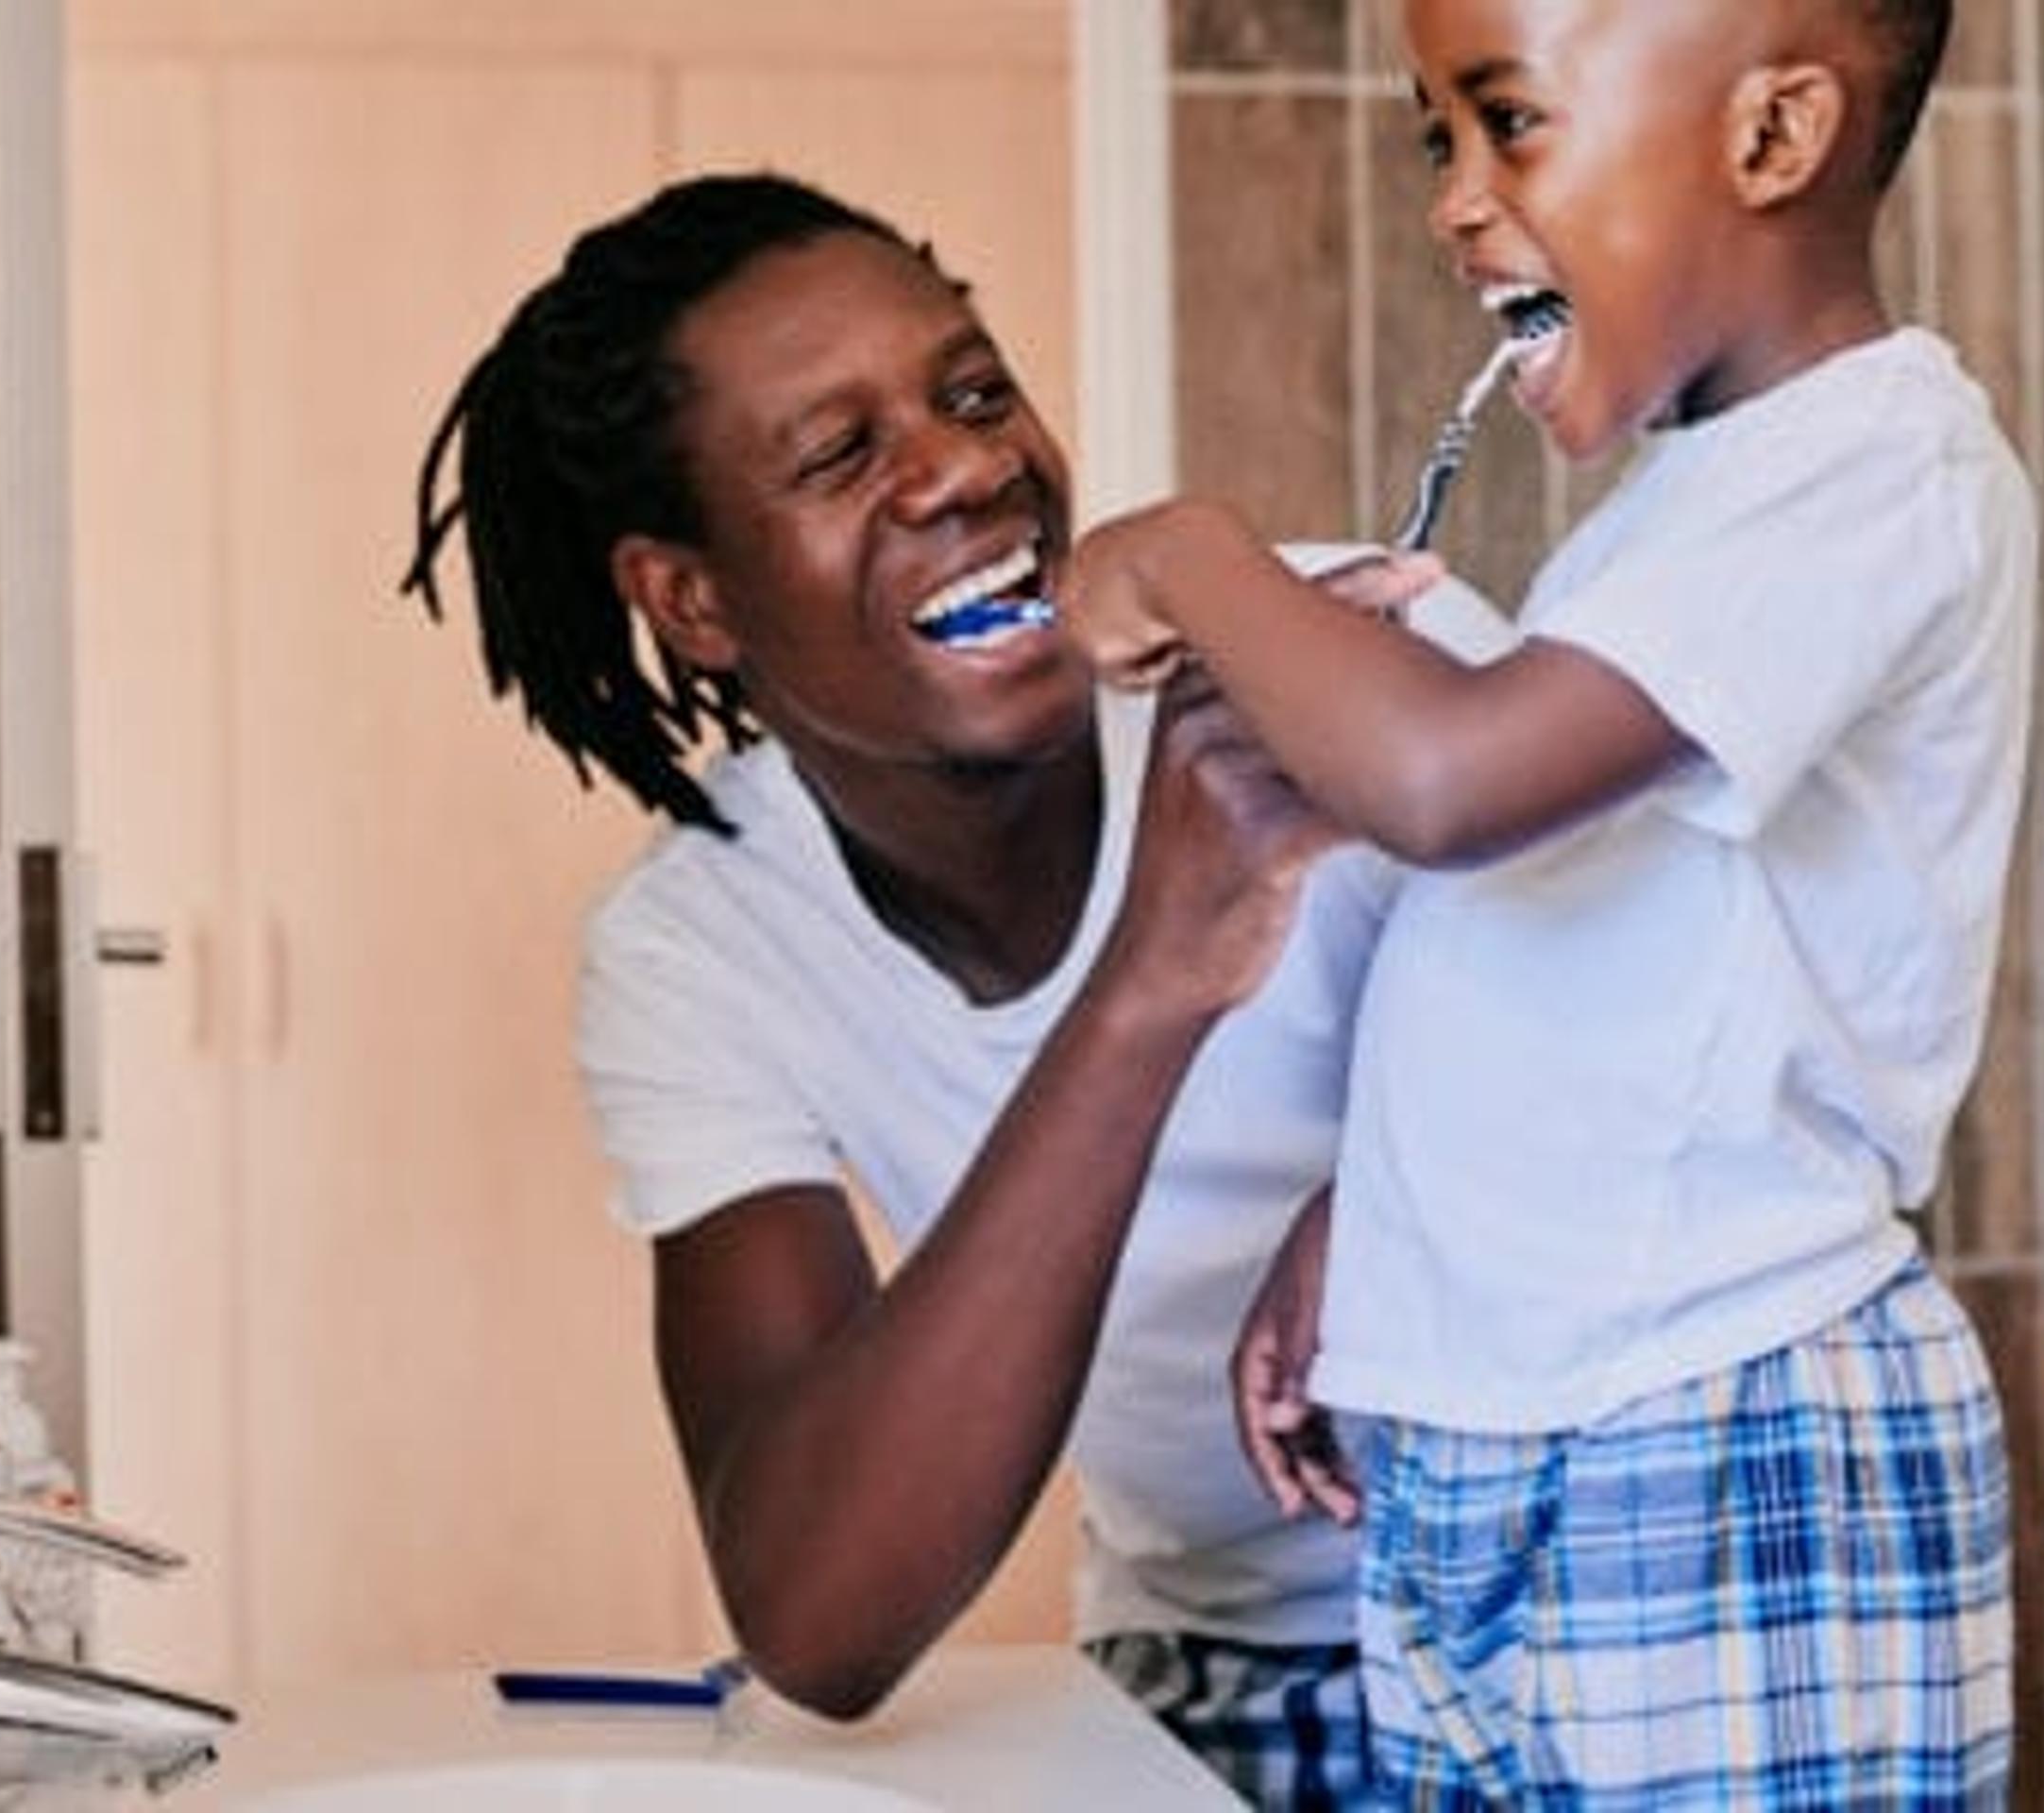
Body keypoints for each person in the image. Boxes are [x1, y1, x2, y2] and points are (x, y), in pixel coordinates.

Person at [1055, 0, 2032, 1802]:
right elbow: (1613, 948)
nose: (1456, 199)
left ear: (1771, 137)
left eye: (1508, 122)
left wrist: (1192, 552)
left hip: (1717, 1428)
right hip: (1509, 1437)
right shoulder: (1690, 507)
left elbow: (1453, 791)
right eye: (1441, 139)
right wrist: (1383, 1219)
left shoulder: (1883, 463)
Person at [401, 171, 1477, 1806]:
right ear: (690, 601)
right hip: (1222, 1662)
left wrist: (1380, 1200)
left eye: (973, 391)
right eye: (839, 455)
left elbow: (1677, 1056)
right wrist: (1153, 974)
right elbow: (822, 1617)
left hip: (1575, 1593)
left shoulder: (1323, 650)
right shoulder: (703, 949)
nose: (969, 467)